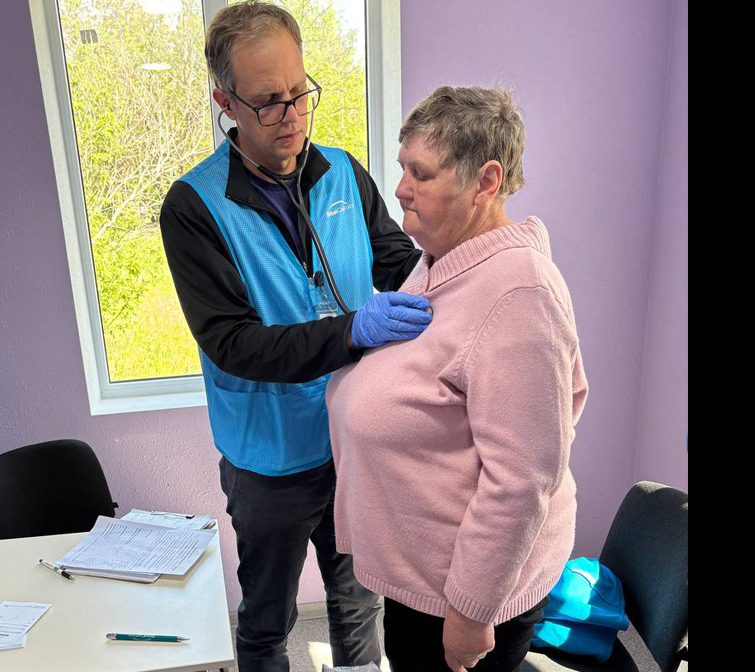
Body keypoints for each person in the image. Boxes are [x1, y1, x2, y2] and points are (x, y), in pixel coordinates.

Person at [158, 3, 434, 671]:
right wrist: (353, 330)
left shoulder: (344, 174)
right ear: (226, 103)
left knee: (359, 603)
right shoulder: (193, 207)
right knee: (266, 620)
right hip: (270, 463)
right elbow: (234, 344)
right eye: (267, 103)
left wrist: (466, 264)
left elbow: (401, 264)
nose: (291, 116)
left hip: (352, 439)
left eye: (298, 92)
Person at [327, 85, 590, 672]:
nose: (400, 188)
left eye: (420, 173)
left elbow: (521, 480)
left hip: (462, 599)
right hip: (422, 579)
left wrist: (471, 615)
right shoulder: (439, 261)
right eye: (402, 168)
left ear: (486, 182)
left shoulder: (518, 294)